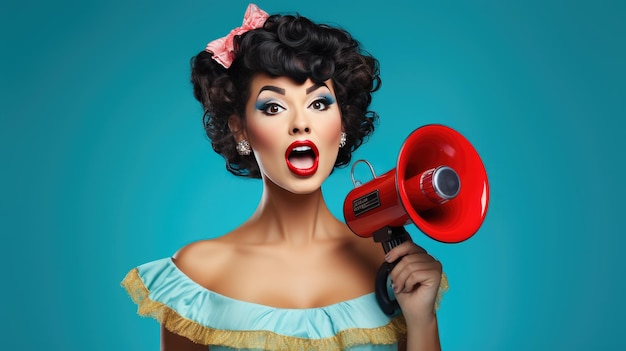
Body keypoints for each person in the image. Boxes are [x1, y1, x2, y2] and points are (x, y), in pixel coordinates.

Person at [121, 4, 447, 350]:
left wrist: (421, 319)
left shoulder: (387, 264)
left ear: (342, 124)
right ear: (240, 129)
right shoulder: (199, 274)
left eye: (319, 103)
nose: (300, 123)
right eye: (273, 107)